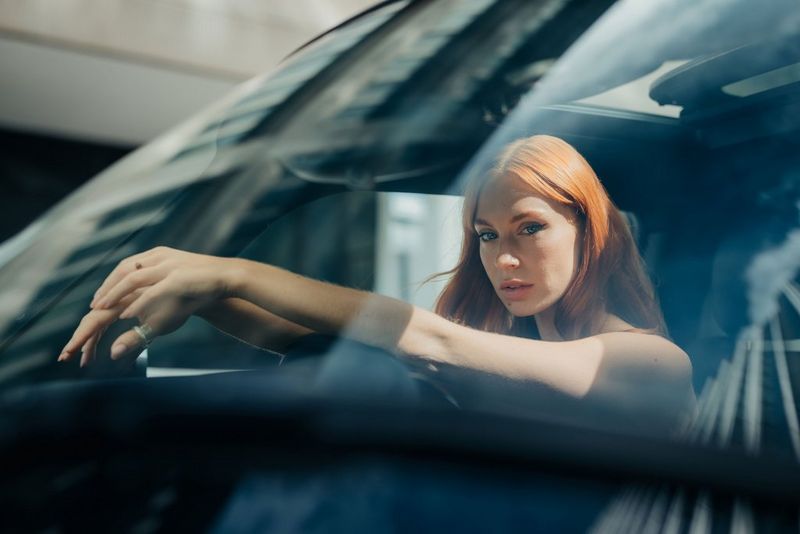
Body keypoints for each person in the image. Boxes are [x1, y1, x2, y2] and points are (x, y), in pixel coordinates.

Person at [58, 135, 695, 430]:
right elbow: (309, 335)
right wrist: (208, 297)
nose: (503, 258)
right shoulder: (501, 347)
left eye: (529, 228)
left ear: (591, 232)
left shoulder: (654, 364)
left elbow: (429, 342)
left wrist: (237, 271)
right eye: (486, 235)